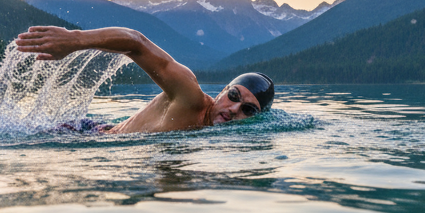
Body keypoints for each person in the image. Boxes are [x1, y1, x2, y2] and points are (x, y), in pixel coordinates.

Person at [15, 25, 274, 134]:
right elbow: (135, 43)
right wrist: (75, 39)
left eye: (248, 110)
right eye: (234, 97)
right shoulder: (188, 94)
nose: (233, 109)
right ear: (223, 91)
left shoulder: (221, 141)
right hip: (84, 134)